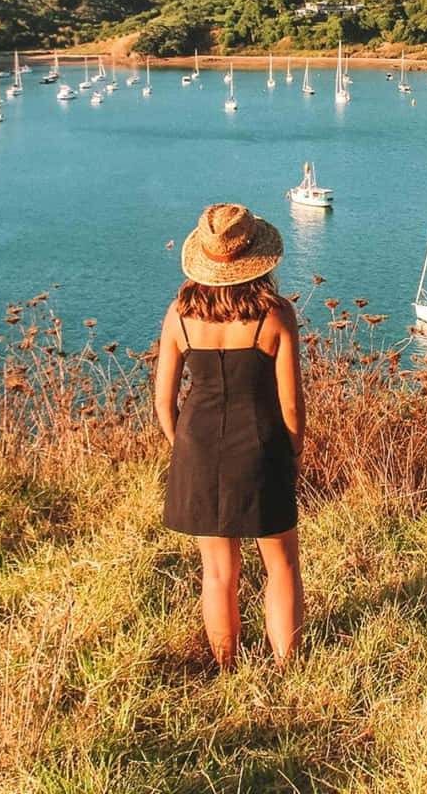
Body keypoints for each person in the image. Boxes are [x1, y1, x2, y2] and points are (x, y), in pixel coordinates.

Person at [155, 203, 306, 668]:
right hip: (261, 446)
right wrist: (292, 455)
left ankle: (227, 666)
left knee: (218, 571)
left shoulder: (179, 314)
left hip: (197, 446)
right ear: (257, 258)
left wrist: (184, 448)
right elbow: (291, 404)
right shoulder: (275, 315)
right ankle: (287, 667)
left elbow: (164, 403)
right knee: (281, 566)